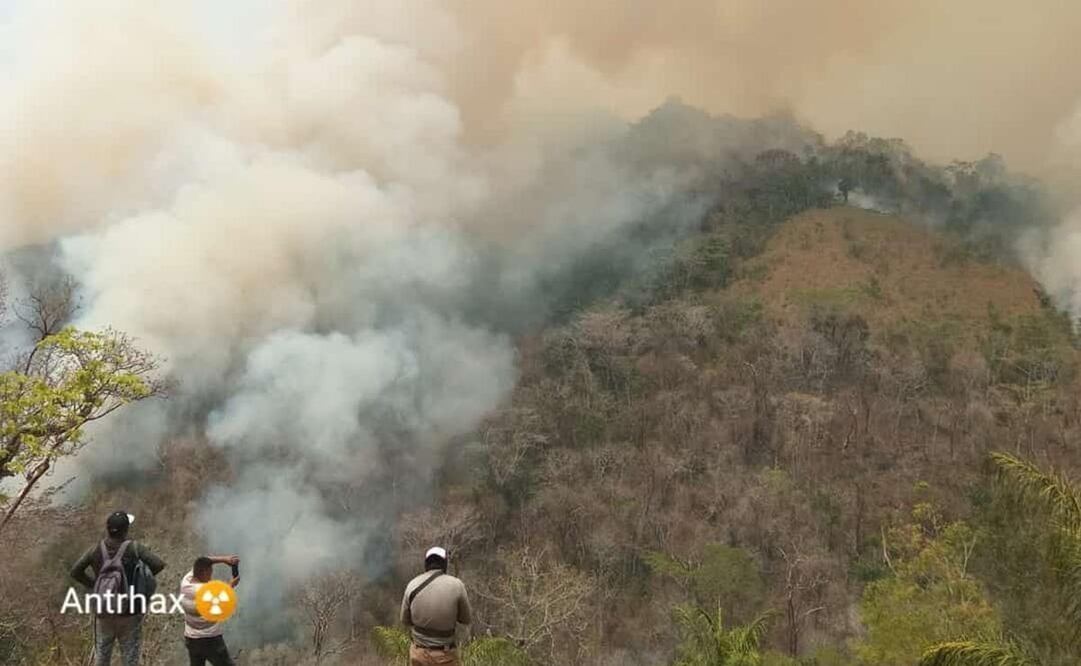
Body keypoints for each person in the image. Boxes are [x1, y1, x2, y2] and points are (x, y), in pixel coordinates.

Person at [69, 510, 166, 666]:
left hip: (104, 611)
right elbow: (158, 564)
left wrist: (94, 585)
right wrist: (140, 578)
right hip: (129, 612)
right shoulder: (134, 548)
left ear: (107, 528)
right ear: (126, 529)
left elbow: (75, 571)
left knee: (102, 655)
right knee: (130, 657)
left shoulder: (95, 549)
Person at [400, 546, 472, 666]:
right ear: (445, 565)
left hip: (419, 654)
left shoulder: (412, 585)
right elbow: (466, 619)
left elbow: (405, 620)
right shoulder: (457, 585)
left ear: (426, 564)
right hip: (445, 654)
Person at [179, 554, 240, 666]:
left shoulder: (186, 582)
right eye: (210, 572)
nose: (211, 576)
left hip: (191, 638)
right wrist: (231, 585)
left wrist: (224, 559)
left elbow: (202, 561)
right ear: (203, 572)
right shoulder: (205, 591)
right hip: (210, 640)